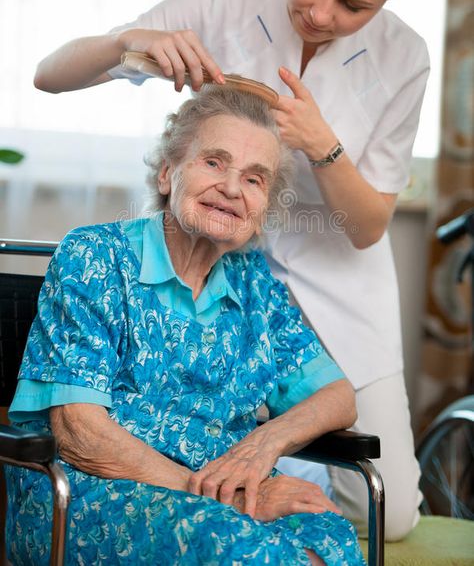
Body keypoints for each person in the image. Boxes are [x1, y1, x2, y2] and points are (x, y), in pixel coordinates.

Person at [33, 0, 429, 540]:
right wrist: (129, 41)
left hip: (335, 290)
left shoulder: (405, 57)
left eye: (353, 4)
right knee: (166, 465)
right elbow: (51, 74)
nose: (321, 12)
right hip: (205, 270)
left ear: (386, 2)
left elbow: (367, 227)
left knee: (392, 517)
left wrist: (321, 144)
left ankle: (282, 459)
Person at [6, 89, 366, 566]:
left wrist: (263, 445)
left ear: (263, 207)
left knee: (328, 540)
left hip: (223, 499)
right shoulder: (95, 257)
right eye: (214, 163)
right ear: (166, 171)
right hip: (90, 494)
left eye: (255, 179)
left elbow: (338, 396)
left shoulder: (255, 282)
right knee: (248, 552)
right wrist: (234, 501)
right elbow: (80, 434)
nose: (233, 189)